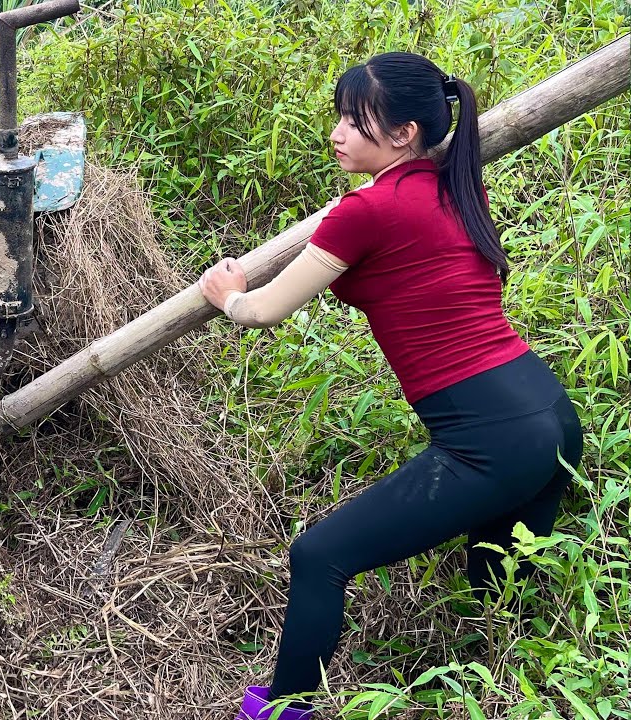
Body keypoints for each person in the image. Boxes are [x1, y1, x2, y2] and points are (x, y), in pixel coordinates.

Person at [197, 53, 582, 720]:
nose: (337, 132)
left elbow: (265, 310)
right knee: (497, 595)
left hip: (487, 435)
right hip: (548, 415)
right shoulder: (456, 184)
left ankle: (282, 709)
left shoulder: (364, 212)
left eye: (355, 119)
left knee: (319, 555)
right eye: (339, 118)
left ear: (403, 132)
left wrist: (229, 296)